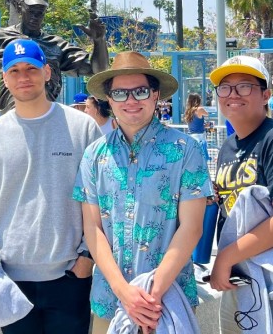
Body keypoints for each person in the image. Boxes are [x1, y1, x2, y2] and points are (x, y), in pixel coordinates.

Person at [0, 39, 101, 333]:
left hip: (69, 276)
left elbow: (101, 198)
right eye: (14, 71)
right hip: (8, 278)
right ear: (4, 77)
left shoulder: (82, 127)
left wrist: (87, 257)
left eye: (31, 69)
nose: (23, 77)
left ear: (47, 72)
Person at [74, 51, 211, 333]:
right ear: (110, 100)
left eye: (140, 91)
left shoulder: (186, 150)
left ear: (155, 94)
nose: (131, 100)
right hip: (110, 300)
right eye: (120, 94)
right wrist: (125, 292)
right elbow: (92, 227)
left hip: (167, 301)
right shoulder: (93, 155)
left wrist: (150, 294)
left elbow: (192, 227)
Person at [206, 56, 273, 332]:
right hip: (241, 275)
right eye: (225, 87)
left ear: (266, 94)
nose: (232, 94)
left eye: (244, 86)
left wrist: (225, 258)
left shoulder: (270, 139)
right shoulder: (228, 147)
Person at [184, 92, 210, 160]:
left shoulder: (188, 111)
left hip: (191, 137)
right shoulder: (199, 109)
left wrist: (203, 126)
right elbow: (207, 114)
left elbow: (194, 126)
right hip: (200, 138)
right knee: (202, 160)